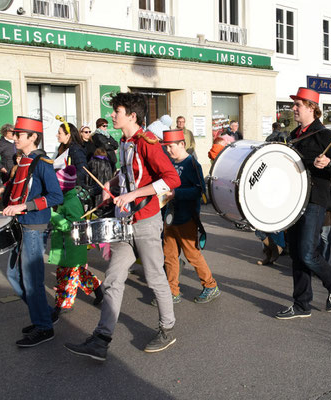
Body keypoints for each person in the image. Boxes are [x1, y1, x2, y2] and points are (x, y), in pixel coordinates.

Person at [65, 92, 181, 360]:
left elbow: (172, 179)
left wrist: (133, 195)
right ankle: (102, 338)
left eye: (116, 111)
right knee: (113, 280)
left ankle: (167, 328)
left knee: (154, 277)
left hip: (145, 220)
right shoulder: (126, 141)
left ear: (132, 115)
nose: (112, 115)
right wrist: (112, 185)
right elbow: (129, 173)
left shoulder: (148, 143)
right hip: (124, 222)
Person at [0, 116, 64, 347]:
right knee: (13, 275)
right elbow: (13, 185)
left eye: (19, 134)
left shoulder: (42, 163)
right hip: (20, 225)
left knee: (32, 281)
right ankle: (44, 314)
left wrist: (24, 206)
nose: (14, 137)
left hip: (34, 226)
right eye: (15, 134)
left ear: (33, 137)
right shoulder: (23, 161)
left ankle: (44, 327)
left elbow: (55, 196)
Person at [274, 87, 331, 320]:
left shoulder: (324, 136)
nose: (293, 108)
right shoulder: (294, 135)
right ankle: (301, 304)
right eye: (294, 104)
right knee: (296, 253)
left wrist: (327, 163)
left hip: (315, 200)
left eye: (298, 105)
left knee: (307, 252)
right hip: (294, 199)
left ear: (312, 108)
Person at [161, 129, 219, 303]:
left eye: (171, 147)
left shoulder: (192, 164)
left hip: (187, 217)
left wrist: (176, 194)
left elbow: (199, 190)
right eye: (167, 147)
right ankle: (173, 291)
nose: (169, 151)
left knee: (192, 254)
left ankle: (210, 286)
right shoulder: (170, 163)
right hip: (169, 217)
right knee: (169, 255)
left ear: (182, 144)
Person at [49, 165, 103, 322]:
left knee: (67, 278)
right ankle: (98, 289)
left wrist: (53, 215)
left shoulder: (71, 203)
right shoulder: (66, 199)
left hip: (71, 247)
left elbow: (73, 227)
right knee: (74, 274)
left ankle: (64, 305)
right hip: (67, 247)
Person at [55, 122, 88, 187]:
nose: (57, 135)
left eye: (59, 133)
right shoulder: (62, 148)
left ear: (68, 135)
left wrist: (69, 180)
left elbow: (83, 170)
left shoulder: (75, 149)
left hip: (73, 188)